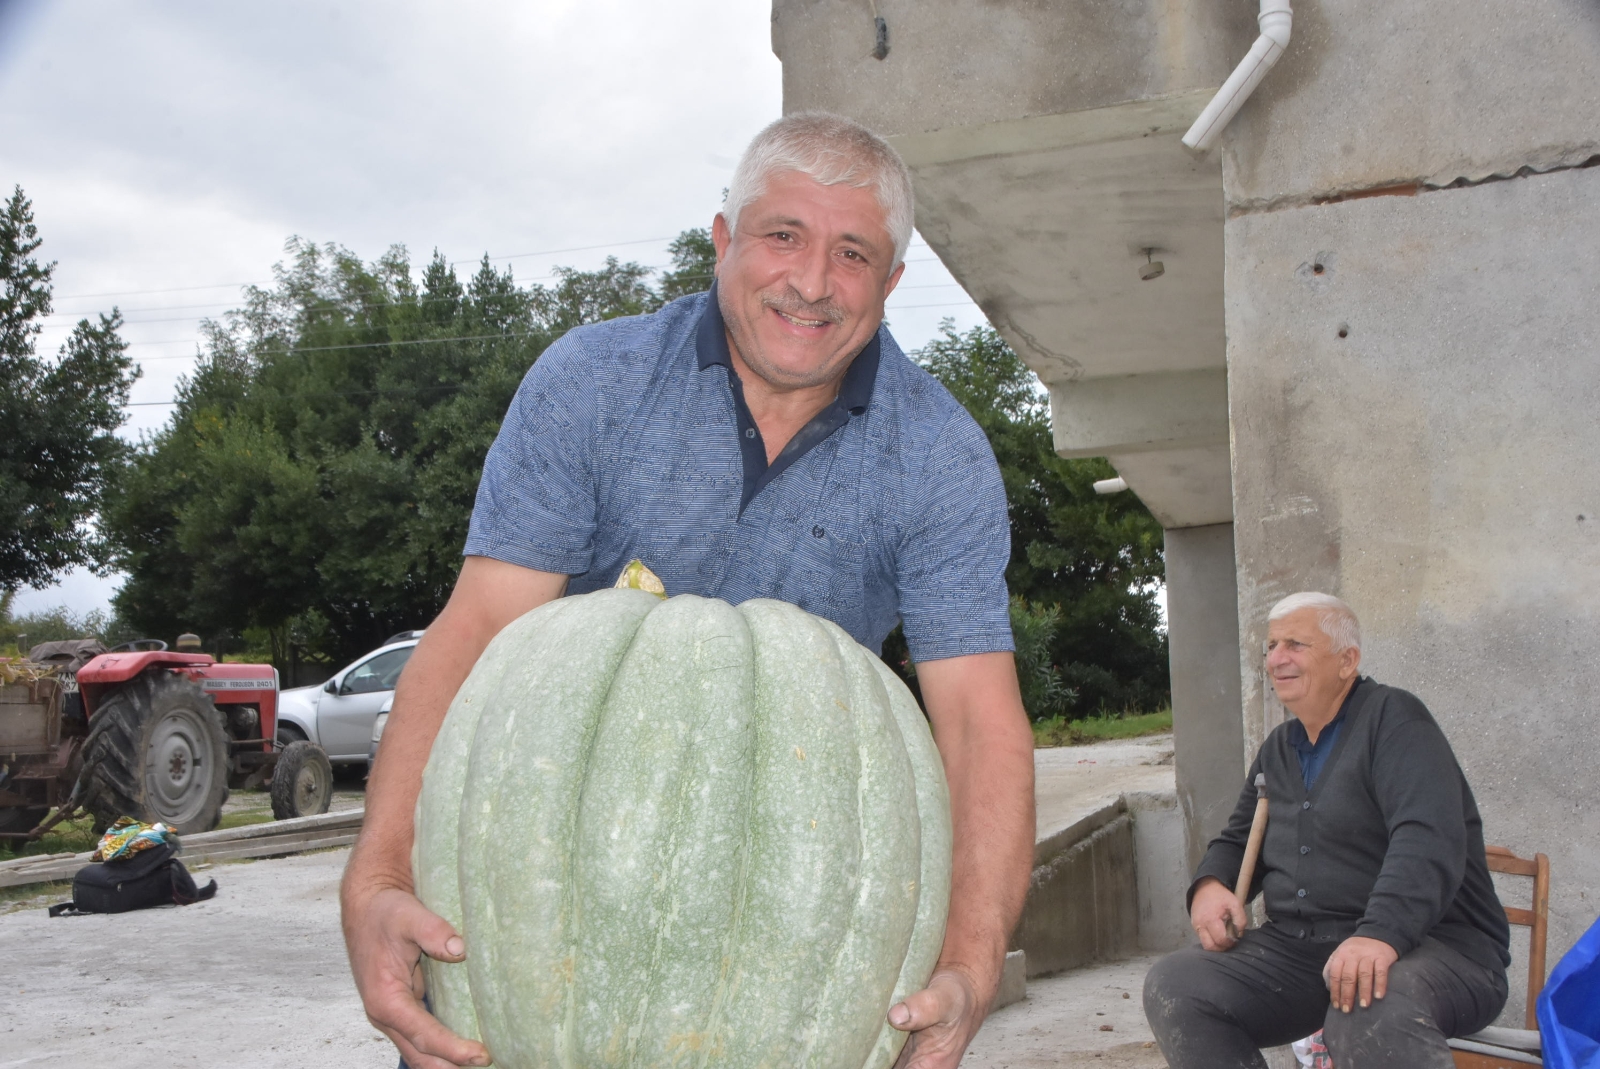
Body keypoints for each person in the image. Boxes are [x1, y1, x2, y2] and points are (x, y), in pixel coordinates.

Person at [340, 112, 1037, 1069]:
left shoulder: (942, 459)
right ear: (723, 240)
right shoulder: (592, 383)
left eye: (853, 254)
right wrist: (376, 877)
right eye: (782, 236)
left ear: (892, 283)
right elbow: (479, 631)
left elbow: (978, 724)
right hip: (550, 907)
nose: (812, 282)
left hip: (797, 932)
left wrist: (970, 960)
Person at [1143, 592, 1511, 1068]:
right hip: (1307, 951)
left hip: (1438, 947)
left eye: (1296, 644)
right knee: (1179, 984)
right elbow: (1237, 840)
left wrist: (1380, 934)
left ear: (1347, 661)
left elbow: (1426, 838)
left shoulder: (1397, 722)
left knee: (1368, 1002)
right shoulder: (1280, 748)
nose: (1277, 658)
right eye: (1271, 645)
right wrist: (1211, 886)